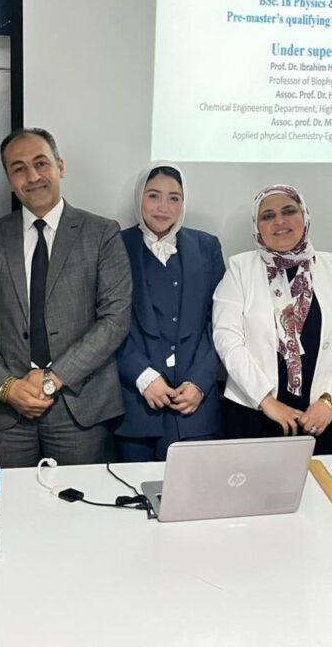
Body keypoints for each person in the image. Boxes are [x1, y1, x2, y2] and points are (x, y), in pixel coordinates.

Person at [0, 127, 132, 467]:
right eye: (19, 168)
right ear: (9, 179)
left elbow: (115, 320)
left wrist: (53, 378)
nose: (32, 176)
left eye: (41, 163)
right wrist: (7, 386)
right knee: (9, 500)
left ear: (60, 166)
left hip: (79, 406)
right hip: (7, 412)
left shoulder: (102, 233)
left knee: (80, 500)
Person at [212, 185, 332, 454]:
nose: (279, 221)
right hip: (254, 414)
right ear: (257, 226)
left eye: (289, 211)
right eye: (268, 215)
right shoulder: (240, 269)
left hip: (325, 417)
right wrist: (266, 401)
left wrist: (329, 402)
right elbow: (228, 341)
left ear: (304, 216)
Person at [114, 162, 226, 461]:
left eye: (174, 198)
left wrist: (200, 382)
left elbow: (219, 324)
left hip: (195, 407)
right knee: (135, 489)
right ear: (139, 197)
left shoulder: (207, 246)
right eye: (153, 196)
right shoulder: (115, 245)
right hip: (136, 406)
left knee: (196, 488)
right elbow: (106, 323)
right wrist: (142, 376)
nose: (163, 207)